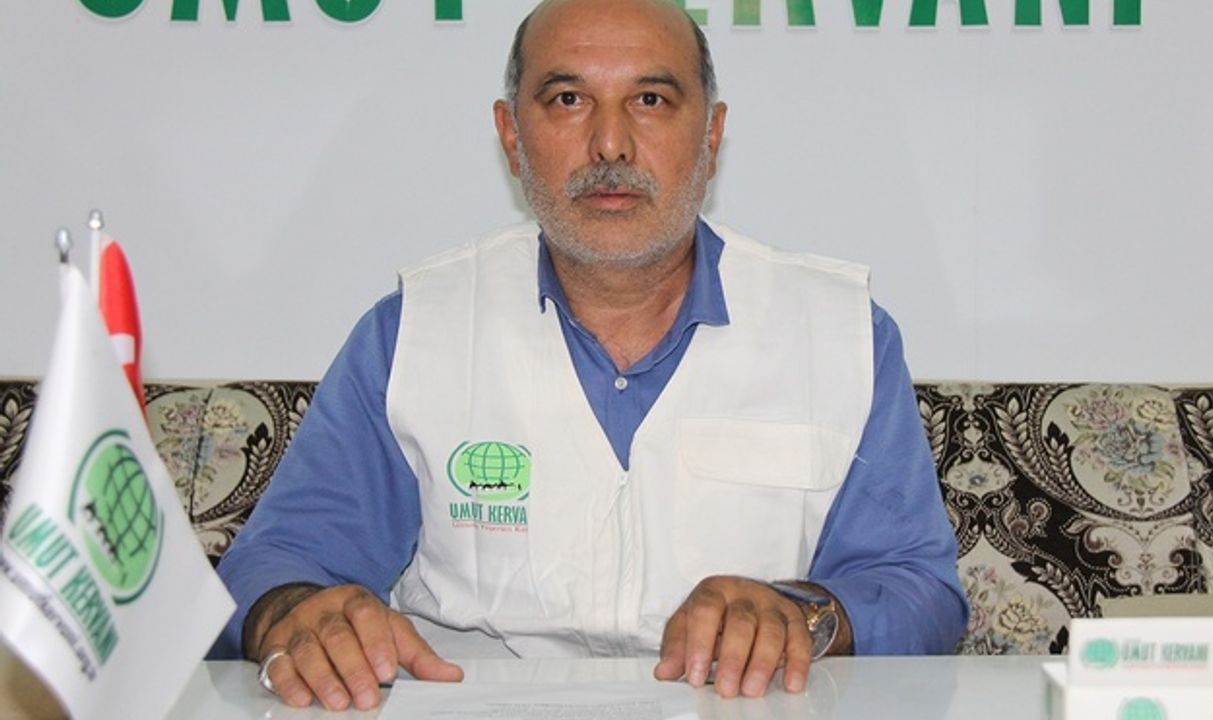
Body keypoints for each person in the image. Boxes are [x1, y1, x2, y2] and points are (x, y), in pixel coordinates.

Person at [211, 0, 968, 711]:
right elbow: (277, 565)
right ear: (512, 136)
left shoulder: (838, 333)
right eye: (569, 100)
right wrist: (296, 614)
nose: (610, 144)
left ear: (711, 136)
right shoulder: (412, 331)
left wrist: (802, 614)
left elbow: (918, 593)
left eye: (651, 100)